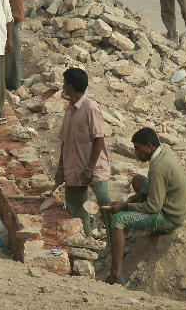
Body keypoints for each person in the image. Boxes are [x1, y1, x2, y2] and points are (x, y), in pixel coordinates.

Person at [105, 127, 186, 286]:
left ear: (149, 146)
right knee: (137, 180)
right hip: (171, 204)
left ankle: (115, 274)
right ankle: (122, 243)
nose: (136, 152)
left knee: (117, 220)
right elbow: (152, 184)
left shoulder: (158, 168)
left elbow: (154, 207)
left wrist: (125, 206)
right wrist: (139, 195)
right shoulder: (161, 156)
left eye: (138, 148)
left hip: (169, 217)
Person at [55, 67, 112, 245]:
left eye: (64, 83)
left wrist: (90, 168)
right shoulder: (69, 110)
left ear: (70, 86)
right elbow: (64, 142)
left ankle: (115, 243)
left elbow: (98, 139)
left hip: (94, 167)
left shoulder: (90, 108)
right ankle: (87, 242)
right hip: (74, 167)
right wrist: (60, 168)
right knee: (76, 208)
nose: (63, 86)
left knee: (104, 204)